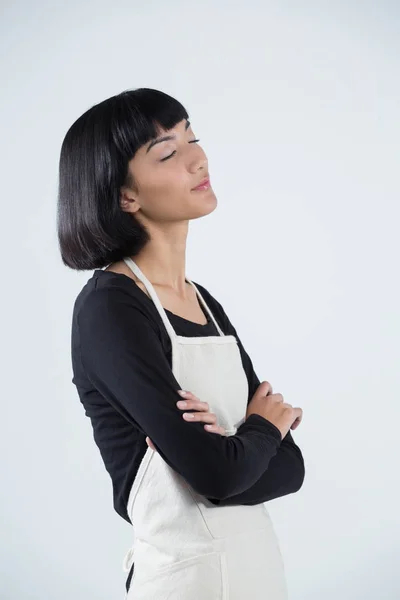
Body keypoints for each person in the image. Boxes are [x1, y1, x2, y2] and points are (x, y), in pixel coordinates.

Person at [57, 87, 305, 599]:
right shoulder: (110, 308)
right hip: (184, 583)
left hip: (257, 572)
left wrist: (234, 452)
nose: (198, 158)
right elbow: (216, 473)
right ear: (126, 196)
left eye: (193, 137)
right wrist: (258, 432)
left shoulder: (205, 303)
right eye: (168, 152)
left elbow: (291, 469)